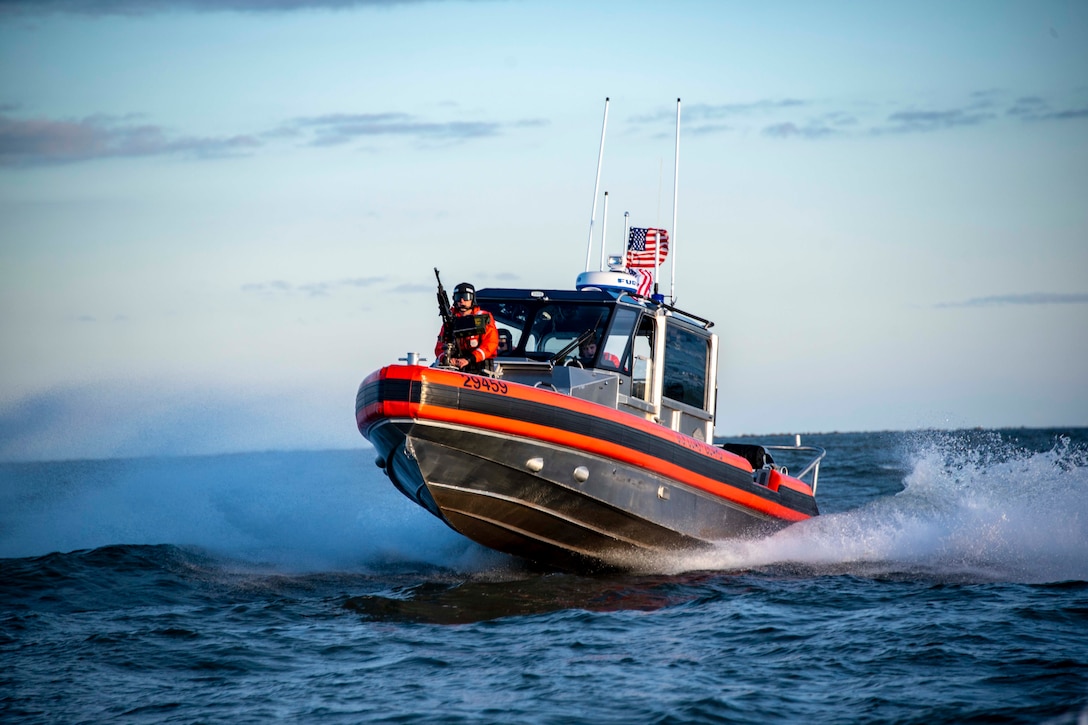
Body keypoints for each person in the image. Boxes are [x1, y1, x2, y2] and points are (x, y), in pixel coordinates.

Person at [435, 282, 499, 371]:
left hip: (480, 369)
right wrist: (446, 358)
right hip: (455, 369)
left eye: (466, 297)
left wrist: (469, 359)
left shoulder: (483, 318)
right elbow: (439, 347)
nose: (462, 301)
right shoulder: (450, 321)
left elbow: (490, 344)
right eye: (458, 297)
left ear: (472, 299)